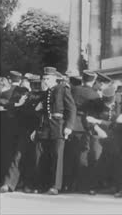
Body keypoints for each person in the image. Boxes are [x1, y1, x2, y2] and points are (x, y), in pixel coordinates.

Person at [27, 67, 76, 195]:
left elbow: (71, 109)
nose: (45, 81)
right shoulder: (47, 92)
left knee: (57, 156)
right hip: (45, 127)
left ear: (54, 79)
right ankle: (39, 184)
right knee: (40, 155)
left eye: (47, 78)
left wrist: (69, 126)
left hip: (58, 127)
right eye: (44, 78)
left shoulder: (62, 89)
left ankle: (55, 186)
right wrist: (36, 129)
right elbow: (43, 112)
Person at [63, 70, 100, 194]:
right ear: (93, 81)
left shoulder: (74, 90)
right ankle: (82, 185)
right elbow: (96, 113)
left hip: (70, 124)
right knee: (83, 155)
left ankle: (67, 184)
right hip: (84, 126)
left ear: (82, 79)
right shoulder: (95, 94)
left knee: (68, 154)